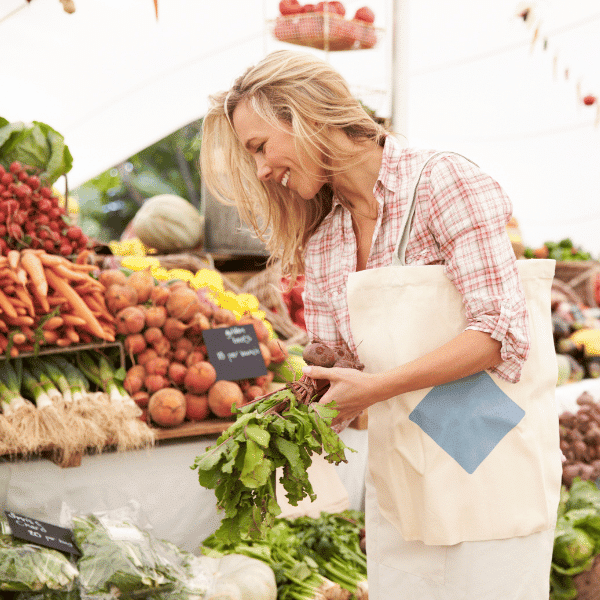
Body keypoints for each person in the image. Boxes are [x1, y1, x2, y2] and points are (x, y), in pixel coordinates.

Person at [200, 49, 561, 600]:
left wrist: (374, 389)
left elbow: (497, 334)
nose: (261, 171)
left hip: (489, 459)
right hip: (407, 473)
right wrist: (280, 414)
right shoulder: (326, 238)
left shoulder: (443, 181)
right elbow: (339, 364)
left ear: (305, 116)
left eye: (259, 147)